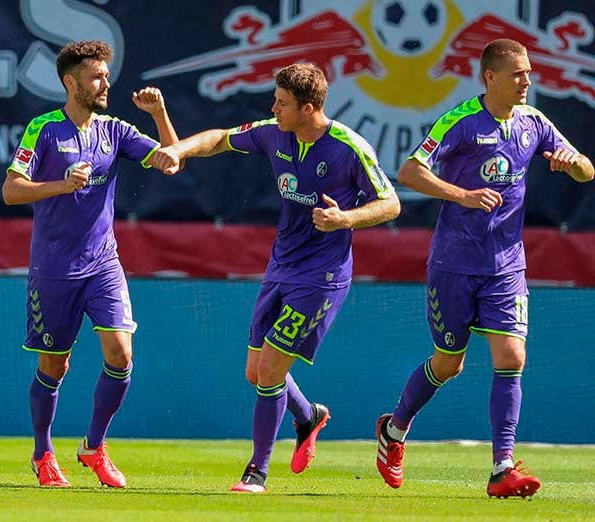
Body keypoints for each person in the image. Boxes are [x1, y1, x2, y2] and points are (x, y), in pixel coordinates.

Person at [157, 62, 401, 493]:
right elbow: (219, 138)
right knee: (256, 372)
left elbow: (390, 203)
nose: (274, 108)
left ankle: (257, 472)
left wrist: (344, 218)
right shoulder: (275, 132)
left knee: (269, 371)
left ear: (309, 108)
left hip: (321, 278)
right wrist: (180, 151)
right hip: (281, 267)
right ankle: (308, 416)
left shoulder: (349, 147)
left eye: (282, 103)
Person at [375, 38, 594, 498]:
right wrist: (463, 194)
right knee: (448, 364)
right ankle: (394, 431)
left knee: (512, 357)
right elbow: (409, 172)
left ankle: (502, 468)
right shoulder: (460, 122)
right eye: (518, 74)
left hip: (506, 266)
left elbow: (587, 171)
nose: (527, 81)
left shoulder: (534, 123)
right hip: (453, 264)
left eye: (529, 72)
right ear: (490, 77)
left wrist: (572, 164)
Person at [2, 40, 178, 488]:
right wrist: (59, 185)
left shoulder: (115, 130)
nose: (105, 83)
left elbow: (170, 161)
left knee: (121, 354)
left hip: (103, 263)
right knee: (54, 368)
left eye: (106, 74)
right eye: (96, 76)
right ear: (70, 81)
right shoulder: (43, 129)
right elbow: (11, 191)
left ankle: (94, 446)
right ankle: (43, 453)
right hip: (53, 270)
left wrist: (158, 115)